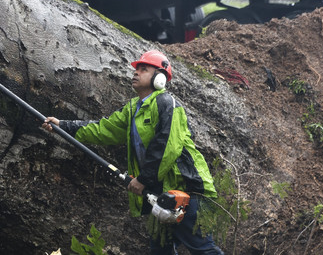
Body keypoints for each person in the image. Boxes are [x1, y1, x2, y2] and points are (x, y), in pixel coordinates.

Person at [42, 50, 223, 254]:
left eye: (143, 69)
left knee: (201, 248)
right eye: (136, 69)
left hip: (187, 189)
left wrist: (143, 179)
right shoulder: (133, 109)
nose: (136, 73)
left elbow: (166, 147)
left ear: (160, 78)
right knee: (160, 250)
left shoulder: (167, 104)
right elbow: (105, 129)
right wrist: (64, 126)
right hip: (159, 193)